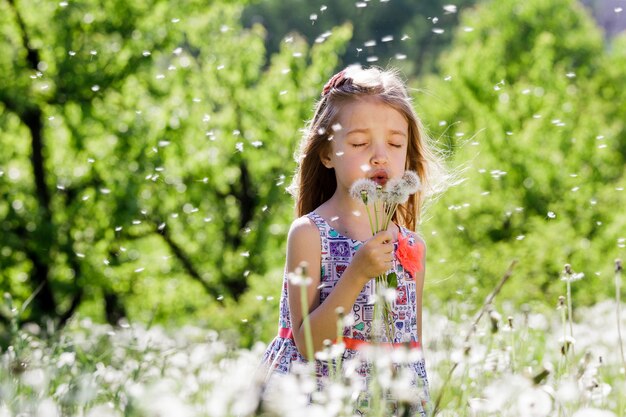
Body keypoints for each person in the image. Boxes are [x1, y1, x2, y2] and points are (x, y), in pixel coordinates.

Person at [261, 65, 445, 415]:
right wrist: (358, 273)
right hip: (319, 401)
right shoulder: (310, 234)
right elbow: (308, 343)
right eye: (360, 143)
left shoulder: (411, 246)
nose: (380, 155)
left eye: (395, 143)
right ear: (327, 153)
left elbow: (411, 348)